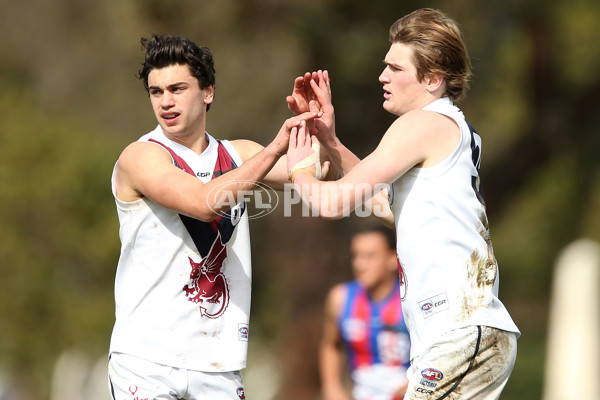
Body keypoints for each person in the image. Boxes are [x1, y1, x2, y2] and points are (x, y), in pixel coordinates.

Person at [285, 8, 520, 400]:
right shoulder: (446, 126)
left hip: (460, 332)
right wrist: (331, 142)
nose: (383, 77)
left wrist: (300, 170)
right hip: (464, 335)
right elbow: (387, 204)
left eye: (395, 68)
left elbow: (331, 203)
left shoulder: (421, 124)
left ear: (432, 79)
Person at [107, 34, 326, 400]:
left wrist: (317, 125)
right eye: (156, 91)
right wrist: (275, 148)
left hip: (218, 364)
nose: (165, 102)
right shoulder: (141, 156)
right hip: (147, 362)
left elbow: (320, 174)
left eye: (177, 88)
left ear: (207, 92)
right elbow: (203, 203)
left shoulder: (239, 153)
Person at [320, 226, 410, 400]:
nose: (359, 264)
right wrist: (331, 387)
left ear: (393, 258)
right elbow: (330, 344)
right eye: (355, 256)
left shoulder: (409, 300)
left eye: (370, 256)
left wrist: (415, 383)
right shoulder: (340, 298)